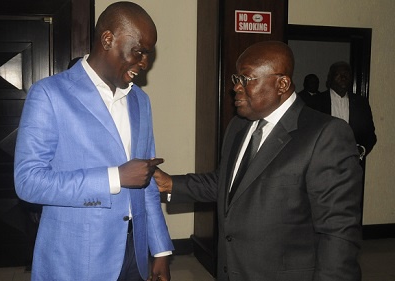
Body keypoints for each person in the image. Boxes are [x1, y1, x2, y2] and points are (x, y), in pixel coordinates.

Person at [154, 41, 363, 281]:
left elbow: (338, 233)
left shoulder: (325, 135)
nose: (236, 87)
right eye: (236, 78)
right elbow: (227, 184)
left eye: (246, 79)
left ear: (282, 84)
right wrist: (169, 184)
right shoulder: (239, 126)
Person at [14, 2, 174, 281]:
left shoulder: (140, 101)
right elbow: (29, 182)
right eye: (140, 51)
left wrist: (160, 250)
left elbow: (146, 180)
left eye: (148, 54)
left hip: (133, 254)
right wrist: (115, 177)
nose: (145, 63)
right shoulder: (50, 94)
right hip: (76, 257)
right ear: (108, 39)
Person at [309, 61, 377, 160]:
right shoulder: (316, 102)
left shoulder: (360, 103)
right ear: (330, 78)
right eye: (338, 74)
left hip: (352, 163)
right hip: (322, 162)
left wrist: (361, 150)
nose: (343, 77)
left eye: (346, 74)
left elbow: (369, 134)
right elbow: (308, 133)